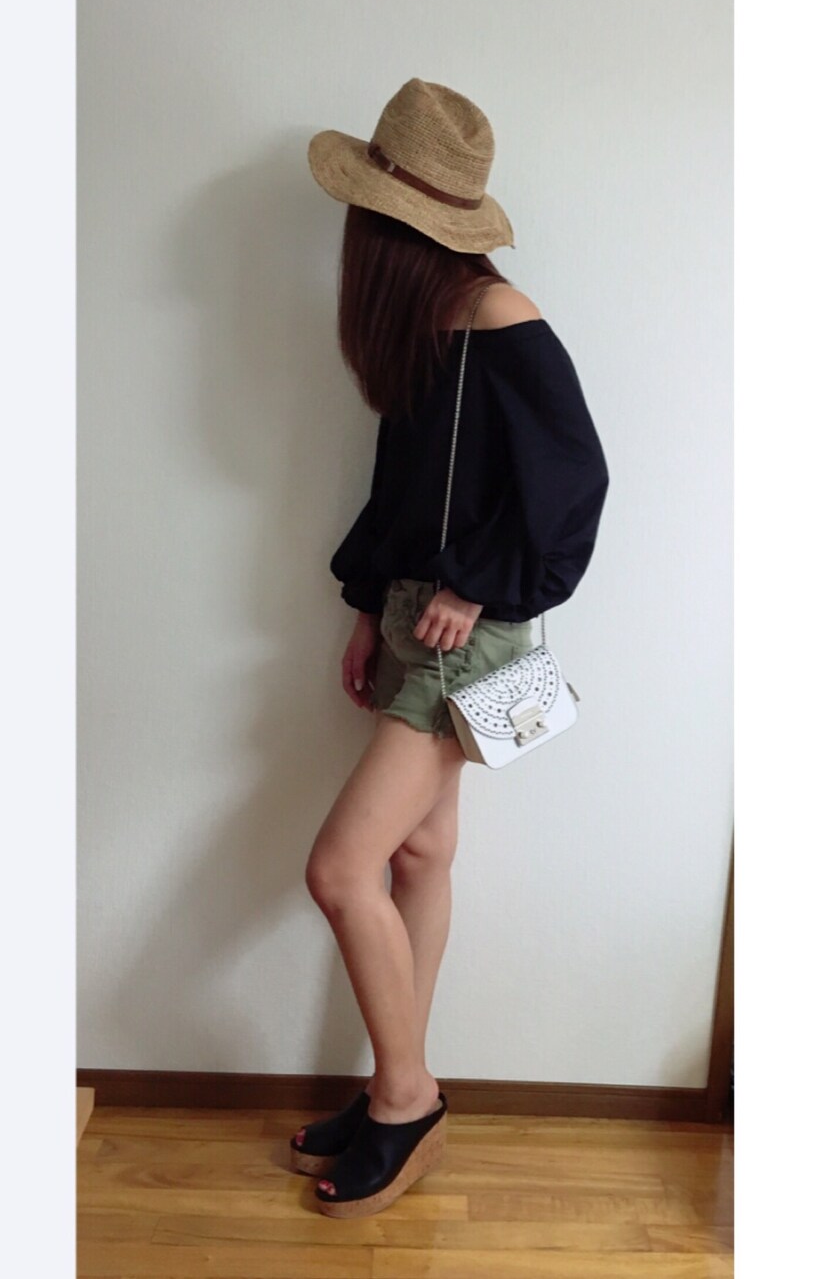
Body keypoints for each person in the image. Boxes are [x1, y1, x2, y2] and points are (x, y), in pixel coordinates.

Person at [291, 78, 610, 1219]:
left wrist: (478, 581)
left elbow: (575, 482)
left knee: (339, 870)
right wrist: (362, 605)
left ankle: (406, 1099)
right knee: (418, 858)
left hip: (462, 637)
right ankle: (401, 1084)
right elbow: (407, 489)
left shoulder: (500, 316)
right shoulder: (430, 322)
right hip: (411, 618)